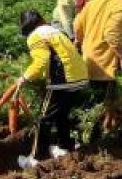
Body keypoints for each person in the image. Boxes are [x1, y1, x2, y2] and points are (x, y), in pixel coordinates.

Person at [16, 10, 89, 169]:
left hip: (62, 79)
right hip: (79, 77)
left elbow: (41, 61)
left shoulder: (35, 36)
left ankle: (35, 157)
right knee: (61, 114)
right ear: (41, 19)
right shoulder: (55, 31)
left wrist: (25, 77)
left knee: (43, 118)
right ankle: (65, 147)